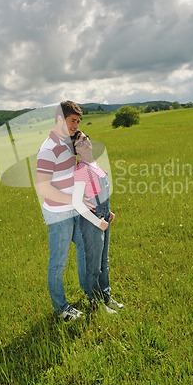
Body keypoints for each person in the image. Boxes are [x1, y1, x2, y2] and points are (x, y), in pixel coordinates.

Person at [36, 101, 89, 321]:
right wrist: (72, 199)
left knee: (86, 247)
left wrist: (82, 139)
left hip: (74, 208)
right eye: (72, 121)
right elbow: (44, 187)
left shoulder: (68, 141)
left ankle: (90, 292)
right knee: (58, 262)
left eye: (78, 121)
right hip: (59, 214)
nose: (76, 125)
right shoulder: (48, 150)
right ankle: (61, 309)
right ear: (60, 120)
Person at [72, 130, 124, 314]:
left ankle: (107, 296)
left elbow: (99, 194)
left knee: (104, 261)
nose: (86, 143)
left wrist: (108, 211)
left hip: (103, 214)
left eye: (86, 139)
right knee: (93, 266)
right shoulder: (81, 169)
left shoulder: (94, 164)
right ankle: (96, 303)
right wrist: (97, 221)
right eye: (80, 143)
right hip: (92, 221)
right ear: (75, 150)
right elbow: (78, 203)